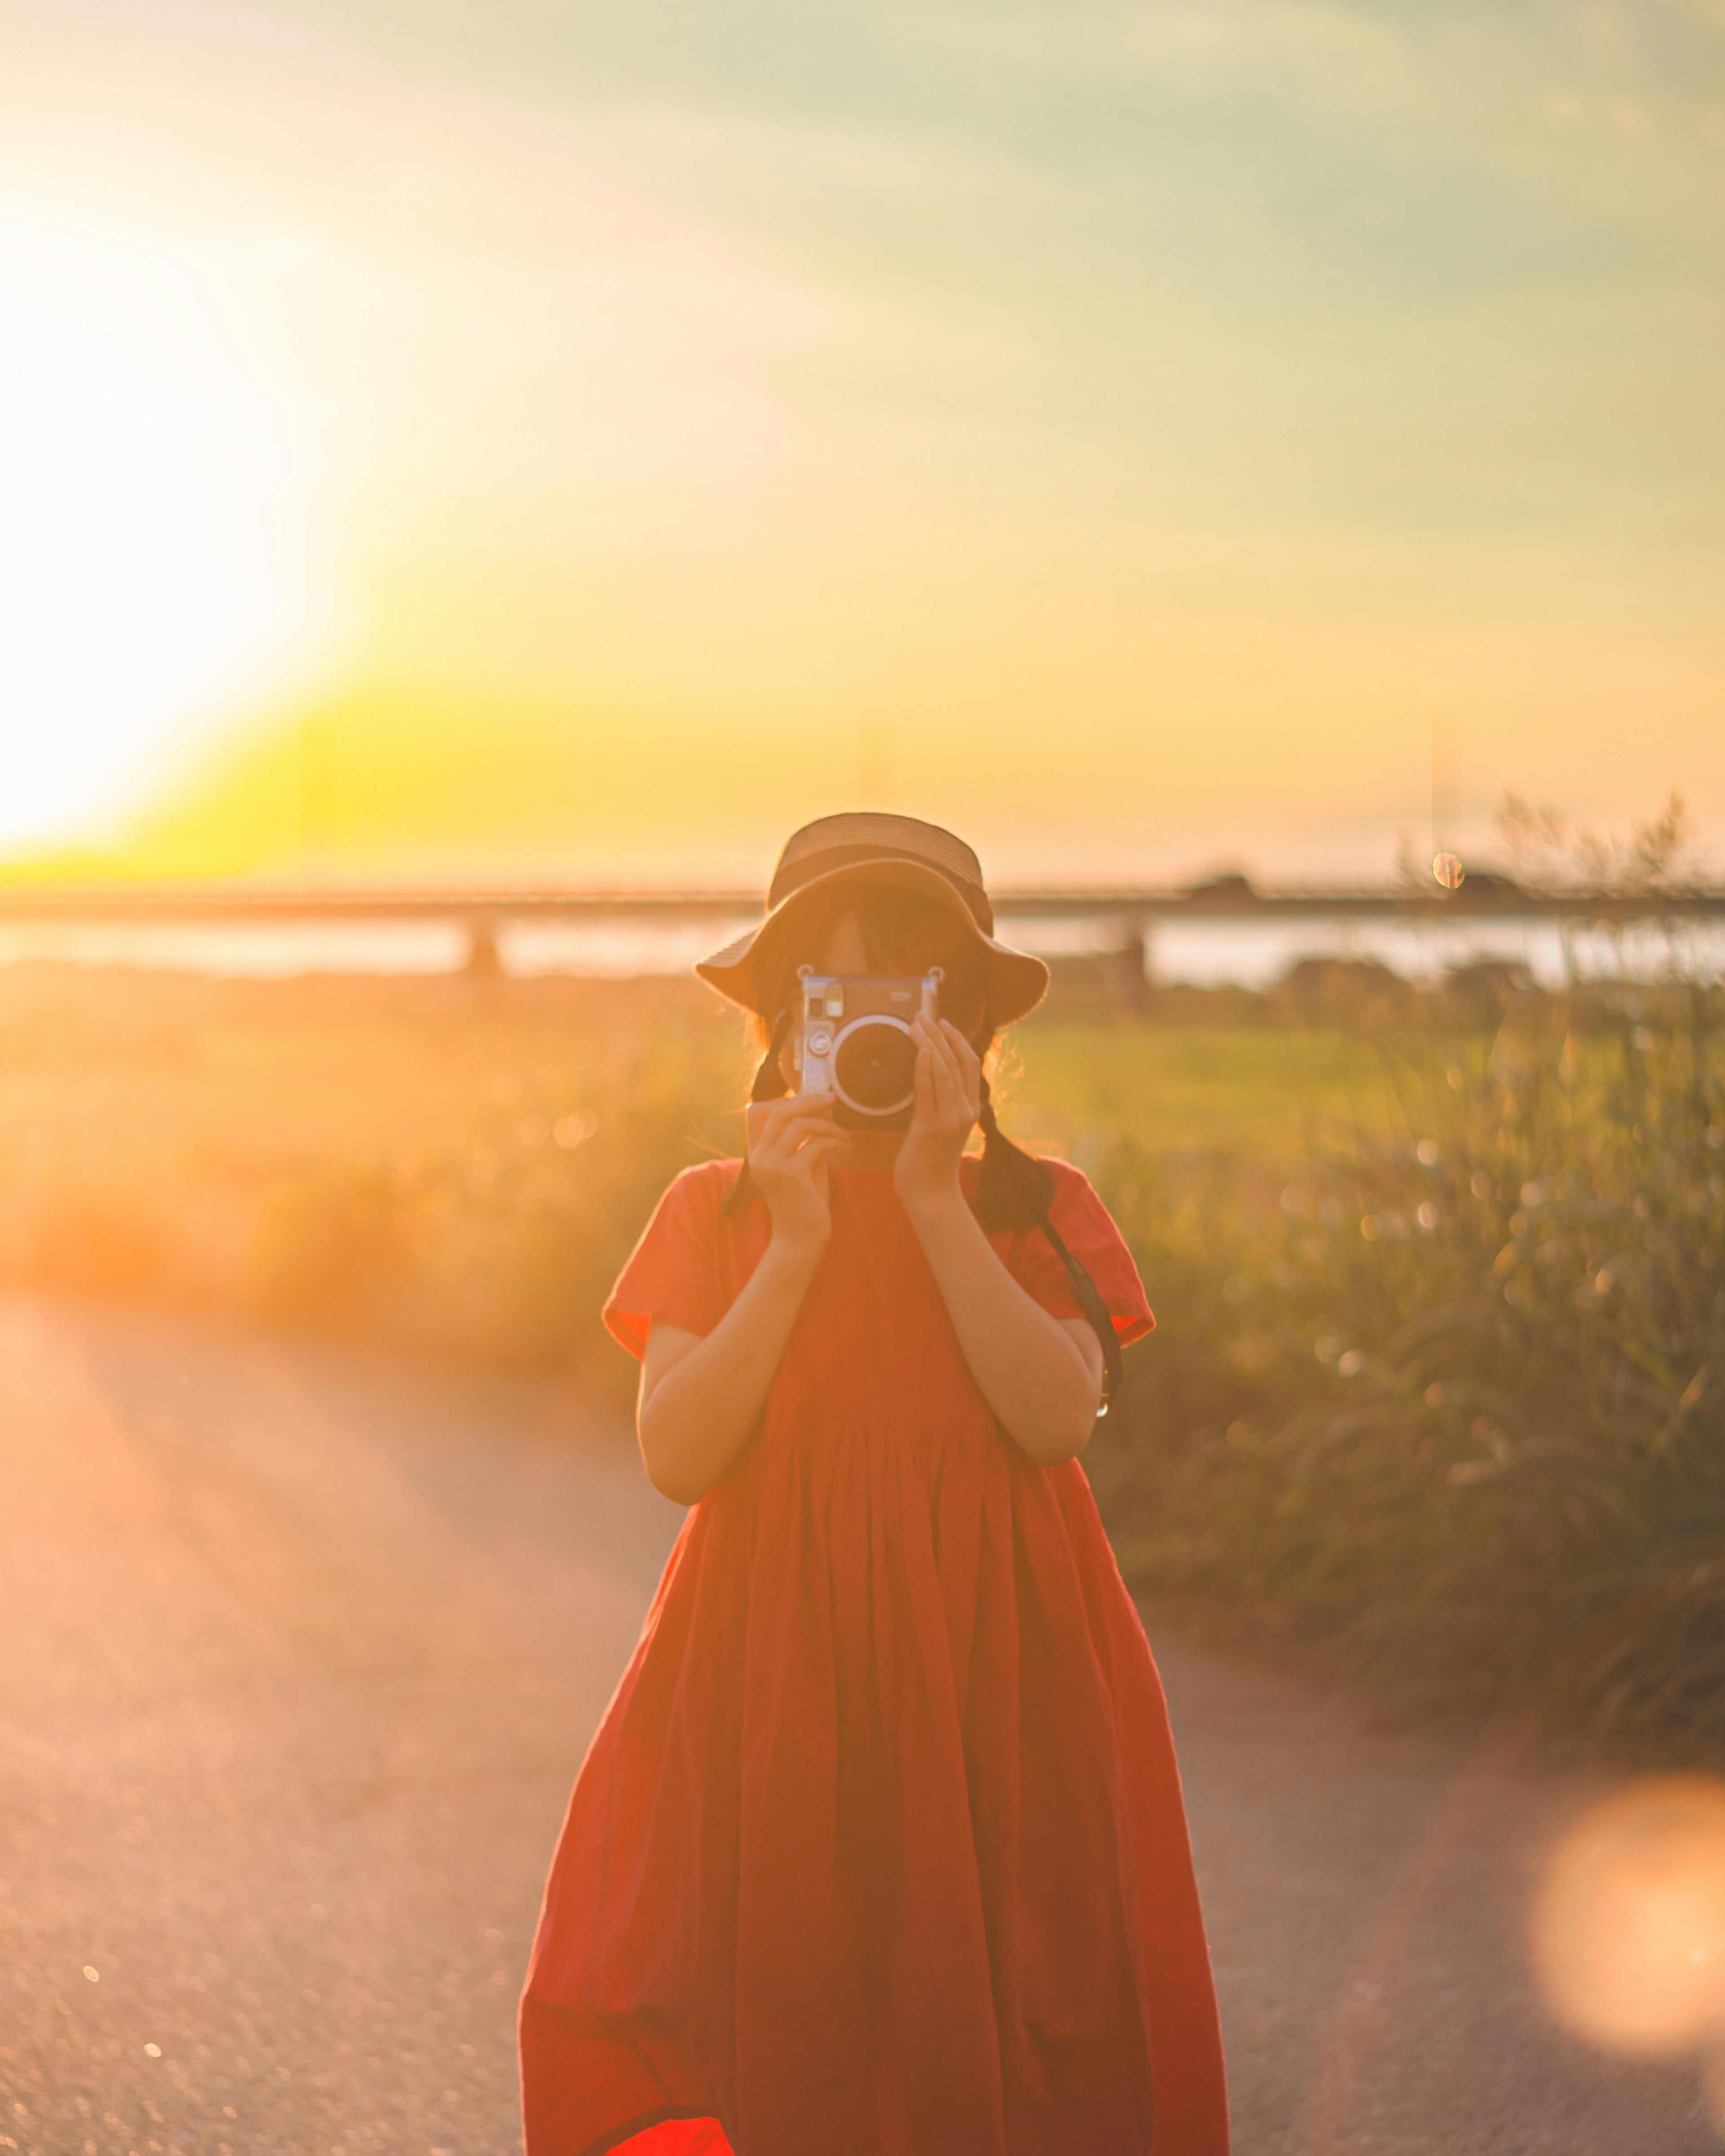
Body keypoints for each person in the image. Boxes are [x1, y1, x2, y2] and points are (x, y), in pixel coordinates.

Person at [519, 814, 1229, 2156]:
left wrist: (932, 1199)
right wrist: (793, 1245)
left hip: (994, 1667)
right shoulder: (717, 1210)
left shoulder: (1037, 1207)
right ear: (785, 1023)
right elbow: (678, 1453)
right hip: (773, 1667)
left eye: (903, 1000)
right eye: (830, 997)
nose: (869, 1036)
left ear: (963, 1028)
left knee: (1010, 2007)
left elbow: (1051, 1417)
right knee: (781, 1996)